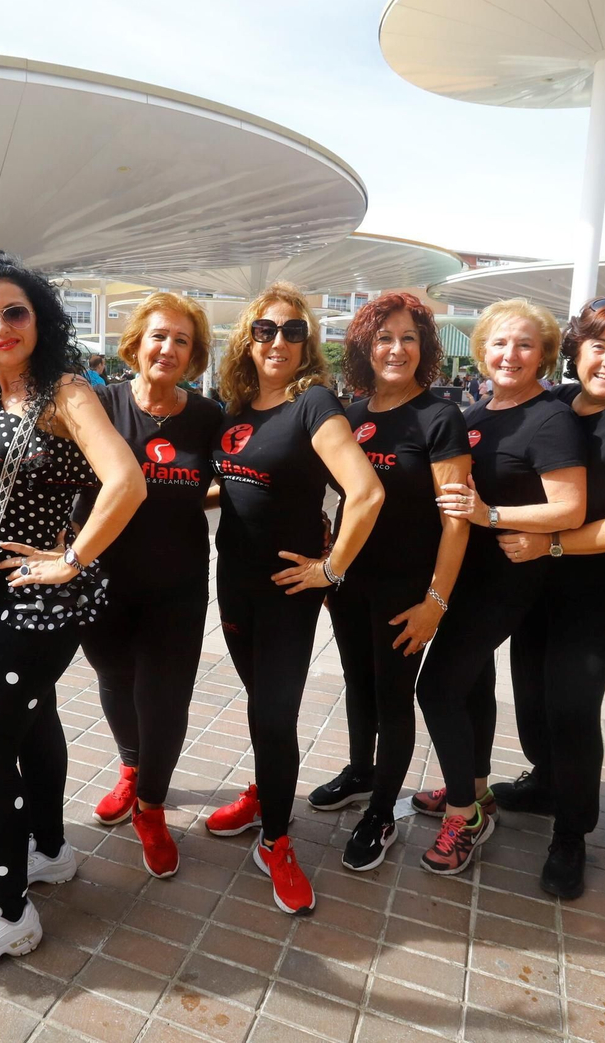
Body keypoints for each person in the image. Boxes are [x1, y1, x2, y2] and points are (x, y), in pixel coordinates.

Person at [0, 250, 145, 976]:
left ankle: (10, 914)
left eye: (14, 311)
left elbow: (127, 481)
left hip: (46, 600)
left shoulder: (65, 390)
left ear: (39, 318)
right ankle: (47, 850)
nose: (0, 326)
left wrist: (73, 557)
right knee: (36, 720)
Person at [202, 281, 383, 914]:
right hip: (233, 587)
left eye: (293, 331)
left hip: (287, 592)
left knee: (275, 715)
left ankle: (276, 838)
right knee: (261, 706)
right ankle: (263, 792)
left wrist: (331, 569)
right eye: (266, 330)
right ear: (246, 339)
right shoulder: (237, 407)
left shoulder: (314, 404)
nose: (279, 341)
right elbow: (236, 488)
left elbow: (366, 493)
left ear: (308, 344)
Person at [491, 296, 605, 899]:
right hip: (533, 586)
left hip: (594, 592)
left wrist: (553, 546)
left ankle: (571, 834)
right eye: (599, 346)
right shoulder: (561, 404)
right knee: (531, 697)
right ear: (575, 350)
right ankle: (545, 784)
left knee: (571, 710)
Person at [410, 298, 586, 877]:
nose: (510, 355)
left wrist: (489, 516)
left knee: (436, 688)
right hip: (463, 571)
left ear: (545, 354)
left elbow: (569, 506)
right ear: (483, 349)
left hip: (504, 579)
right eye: (500, 343)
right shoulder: (480, 410)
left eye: (525, 345)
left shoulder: (549, 418)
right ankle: (477, 788)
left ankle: (466, 814)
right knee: (472, 685)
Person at [49, 293, 222, 878]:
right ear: (136, 344)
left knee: (165, 697)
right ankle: (130, 766)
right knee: (114, 678)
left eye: (181, 340)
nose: (168, 348)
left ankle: (152, 807)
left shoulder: (207, 416)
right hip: (103, 582)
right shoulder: (99, 405)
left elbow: (232, 481)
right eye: (158, 336)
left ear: (194, 354)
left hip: (177, 585)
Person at [306, 292, 469, 873]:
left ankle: (381, 811)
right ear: (363, 348)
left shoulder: (439, 416)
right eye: (383, 338)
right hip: (351, 583)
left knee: (394, 697)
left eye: (407, 338)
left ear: (423, 348)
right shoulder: (351, 414)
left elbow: (457, 524)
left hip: (406, 589)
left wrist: (436, 602)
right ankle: (360, 771)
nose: (395, 349)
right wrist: (329, 561)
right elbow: (339, 497)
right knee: (358, 683)